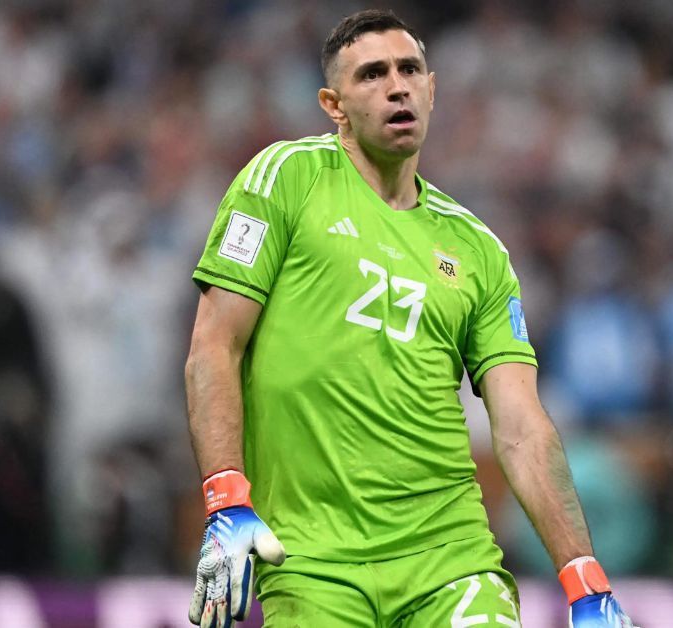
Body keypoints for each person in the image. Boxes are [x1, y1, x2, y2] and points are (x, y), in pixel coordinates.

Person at [185, 9, 637, 627]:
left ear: (432, 89)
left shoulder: (478, 250)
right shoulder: (285, 180)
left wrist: (585, 579)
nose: (397, 86)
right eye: (372, 74)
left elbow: (521, 427)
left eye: (409, 70)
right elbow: (214, 346)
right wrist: (225, 499)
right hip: (313, 559)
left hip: (451, 561)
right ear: (333, 104)